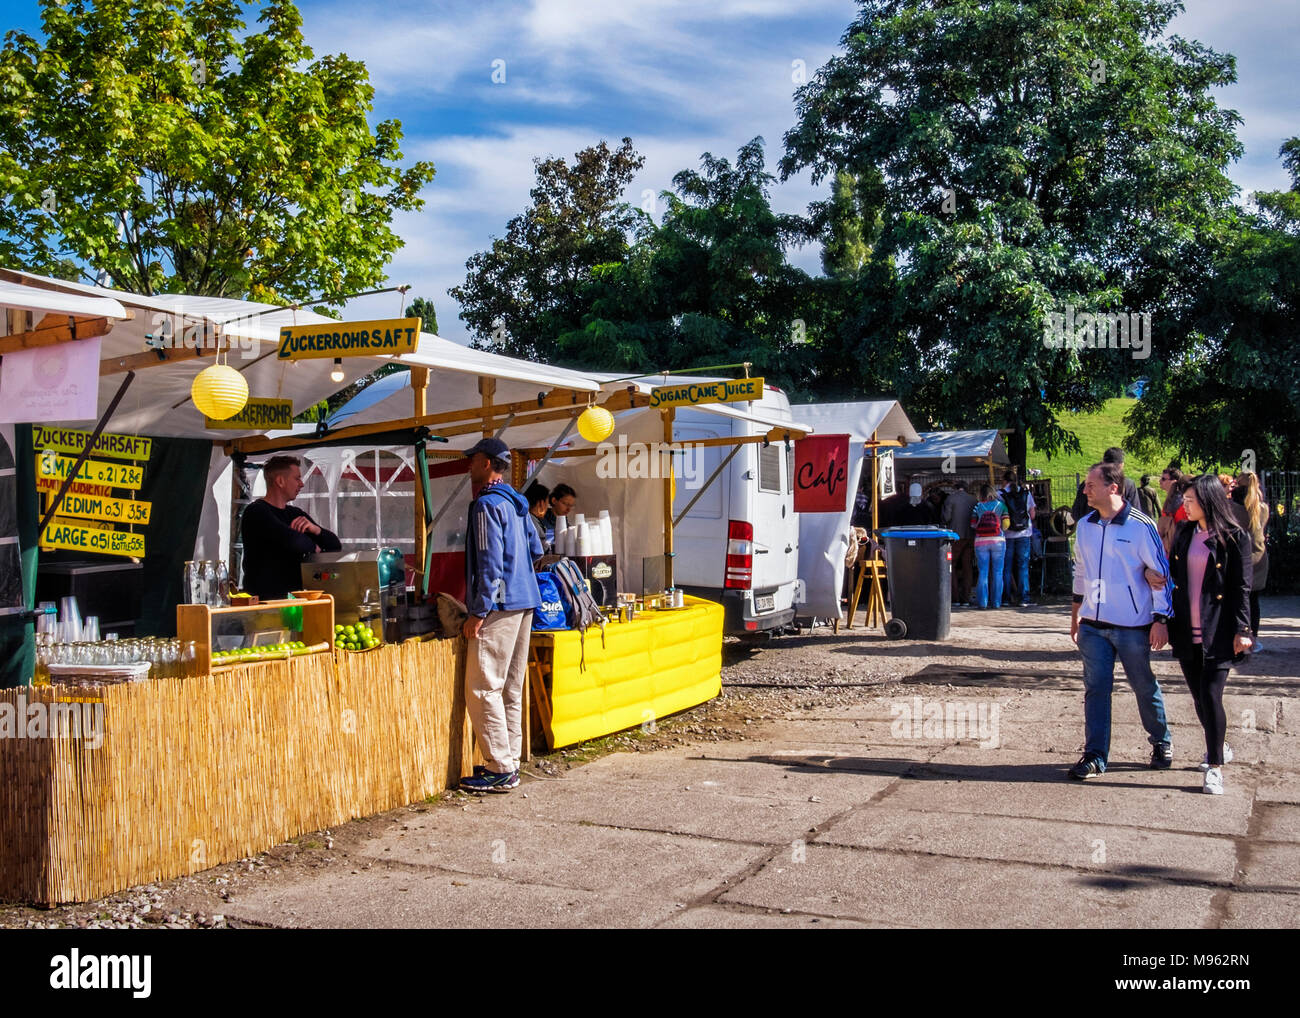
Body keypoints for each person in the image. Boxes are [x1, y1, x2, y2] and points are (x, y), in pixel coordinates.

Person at [1067, 461, 1174, 780]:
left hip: (1133, 626)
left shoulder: (1142, 526)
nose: (1085, 490)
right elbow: (1081, 572)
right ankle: (1095, 755)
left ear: (1112, 487)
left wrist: (1161, 618)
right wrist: (1075, 617)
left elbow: (1161, 575)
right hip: (1093, 626)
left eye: (1090, 485)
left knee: (1143, 685)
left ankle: (1161, 740)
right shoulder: (1085, 525)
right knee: (1096, 689)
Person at [459, 437, 544, 794]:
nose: (469, 466)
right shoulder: (517, 503)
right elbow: (538, 549)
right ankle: (510, 761)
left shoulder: (486, 505)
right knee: (510, 686)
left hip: (500, 605)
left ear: (487, 463)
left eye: (473, 460)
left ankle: (499, 767)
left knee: (482, 688)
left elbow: (489, 561)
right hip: (525, 601)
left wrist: (479, 610)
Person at [1160, 475, 1253, 794]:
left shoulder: (1234, 537)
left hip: (1219, 632)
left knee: (1211, 696)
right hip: (1187, 631)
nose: (1184, 505)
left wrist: (1243, 629)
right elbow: (1173, 579)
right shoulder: (1185, 533)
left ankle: (1214, 766)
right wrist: (1161, 616)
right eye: (1184, 500)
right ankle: (1220, 745)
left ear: (1208, 501)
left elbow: (1241, 587)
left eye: (1189, 501)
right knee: (1199, 697)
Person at [240, 455, 341, 599]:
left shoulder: (295, 513)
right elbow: (293, 541)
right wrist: (315, 547)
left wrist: (316, 529)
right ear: (280, 481)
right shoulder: (256, 511)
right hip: (265, 601)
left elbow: (334, 546)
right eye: (297, 478)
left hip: (293, 600)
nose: (301, 484)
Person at [1231, 471, 1269, 653]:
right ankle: (1253, 639)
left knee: (1238, 599)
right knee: (1254, 600)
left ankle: (1238, 635)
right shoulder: (1262, 508)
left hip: (1239, 556)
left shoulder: (1232, 507)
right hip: (1259, 557)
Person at [1071, 446, 1139, 522]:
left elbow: (1076, 513)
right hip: (1121, 530)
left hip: (1091, 528)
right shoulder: (1128, 484)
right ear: (1121, 465)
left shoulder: (1087, 483)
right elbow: (1136, 513)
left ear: (1103, 462)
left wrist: (1087, 524)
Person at [969, 484, 1009, 609]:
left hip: (981, 541)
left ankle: (983, 602)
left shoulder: (978, 506)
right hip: (998, 541)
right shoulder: (1001, 505)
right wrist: (1000, 529)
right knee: (998, 572)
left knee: (983, 572)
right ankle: (996, 603)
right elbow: (1006, 523)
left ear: (981, 494)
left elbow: (973, 525)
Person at [1000, 470, 1036, 607]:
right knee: (1022, 567)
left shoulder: (1000, 494)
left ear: (1004, 480)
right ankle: (1024, 598)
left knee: (1006, 567)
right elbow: (1032, 515)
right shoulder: (1026, 493)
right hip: (1024, 534)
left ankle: (1006, 598)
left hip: (1007, 534)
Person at [941, 480, 977, 606]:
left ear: (956, 488)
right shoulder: (973, 500)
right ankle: (966, 598)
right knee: (967, 567)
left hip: (955, 536)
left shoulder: (950, 499)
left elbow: (946, 518)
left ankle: (955, 598)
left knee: (951, 565)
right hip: (970, 536)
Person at [1157, 466, 1184, 549]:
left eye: (1163, 479)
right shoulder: (1172, 499)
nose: (1160, 481)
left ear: (1174, 482)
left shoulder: (1179, 501)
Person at [523, 481, 551, 552]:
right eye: (547, 504)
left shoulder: (525, 518)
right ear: (541, 503)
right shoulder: (533, 523)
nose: (547, 508)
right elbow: (541, 550)